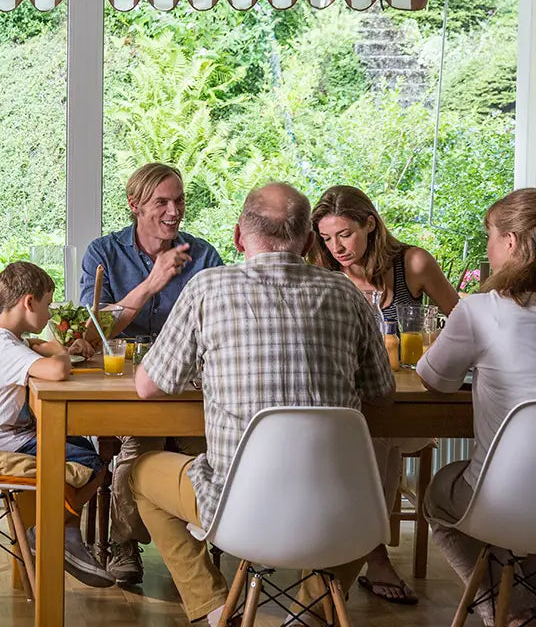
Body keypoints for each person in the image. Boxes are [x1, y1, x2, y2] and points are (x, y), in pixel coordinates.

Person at [130, 183, 395, 626]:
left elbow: (148, 386)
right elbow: (381, 391)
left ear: (238, 238)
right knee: (367, 507)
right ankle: (310, 611)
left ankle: (214, 606)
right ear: (310, 242)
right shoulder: (348, 295)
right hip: (337, 504)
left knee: (139, 473)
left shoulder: (207, 289)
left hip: (238, 507)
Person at [310, 184, 460, 605]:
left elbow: (464, 322)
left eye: (344, 234)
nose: (335, 247)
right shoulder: (325, 274)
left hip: (409, 407)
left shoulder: (412, 264)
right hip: (354, 404)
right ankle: (372, 556)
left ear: (370, 224)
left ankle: (361, 557)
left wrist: (433, 348)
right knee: (370, 429)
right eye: (325, 237)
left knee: (374, 434)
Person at [76, 162, 223, 584]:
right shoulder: (103, 253)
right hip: (128, 384)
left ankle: (208, 538)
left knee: (216, 451)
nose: (174, 210)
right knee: (139, 444)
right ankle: (124, 543)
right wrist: (151, 283)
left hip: (191, 386)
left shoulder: (204, 255)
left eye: (178, 201)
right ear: (135, 206)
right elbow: (92, 329)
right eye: (162, 202)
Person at [418, 189, 536, 627]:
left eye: (489, 236)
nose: (488, 247)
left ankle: (510, 611)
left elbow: (435, 379)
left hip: (502, 500)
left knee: (438, 497)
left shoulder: (480, 310)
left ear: (509, 242)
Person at [0, 261, 114, 588]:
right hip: (0, 443)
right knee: (94, 463)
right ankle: (52, 531)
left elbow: (35, 356)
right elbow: (58, 371)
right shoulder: (6, 347)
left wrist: (47, 349)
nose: (49, 315)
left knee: (80, 442)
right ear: (28, 303)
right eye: (47, 305)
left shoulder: (2, 337)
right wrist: (58, 349)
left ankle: (65, 532)